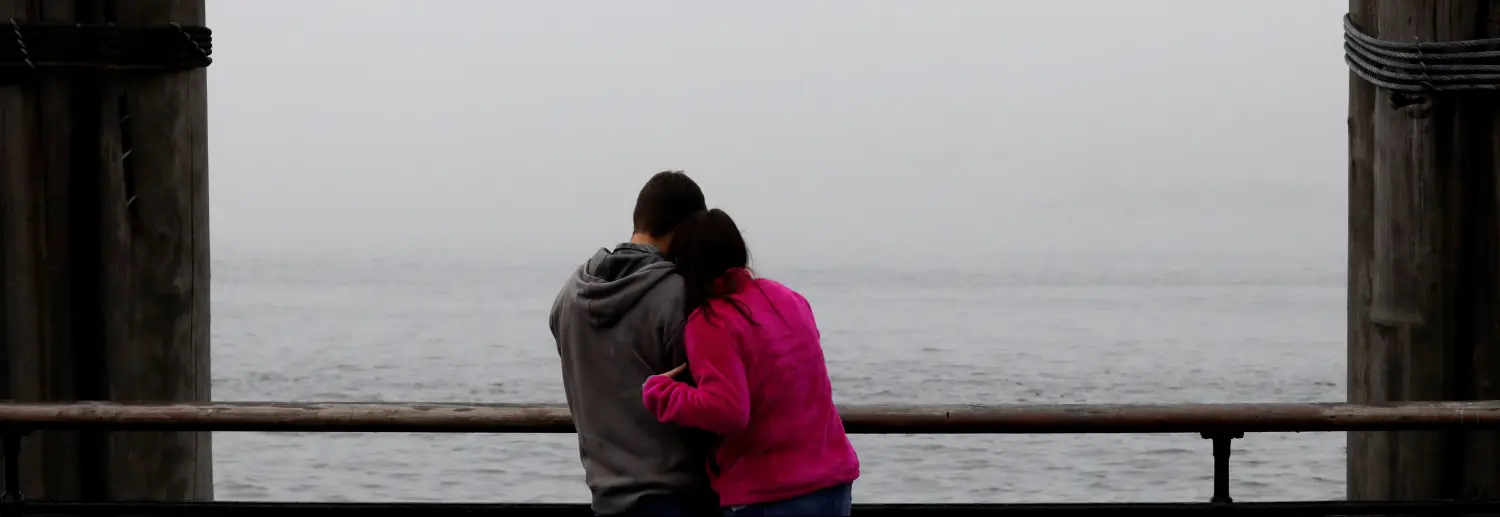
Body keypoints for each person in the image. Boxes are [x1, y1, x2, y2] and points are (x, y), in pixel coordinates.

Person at [641, 209, 860, 517]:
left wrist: (660, 392)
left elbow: (728, 410)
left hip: (770, 494)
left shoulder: (710, 320)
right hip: (833, 486)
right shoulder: (789, 298)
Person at [549, 171, 718, 516]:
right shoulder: (679, 300)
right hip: (679, 497)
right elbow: (710, 405)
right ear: (687, 230)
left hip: (605, 497)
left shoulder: (569, 296)